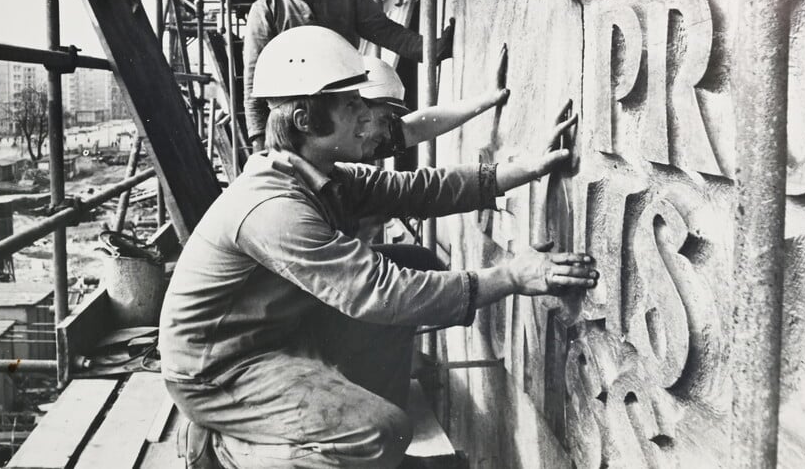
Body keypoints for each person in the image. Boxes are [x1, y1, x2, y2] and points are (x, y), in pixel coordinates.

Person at [160, 26, 596, 468]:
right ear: (305, 121)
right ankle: (228, 449)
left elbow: (416, 189)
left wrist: (520, 170)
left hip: (279, 331)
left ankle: (341, 437)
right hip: (219, 370)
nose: (368, 119)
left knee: (413, 264)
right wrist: (510, 276)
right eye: (352, 107)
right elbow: (380, 291)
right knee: (378, 431)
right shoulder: (273, 208)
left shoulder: (322, 174)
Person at [243, 0, 454, 152]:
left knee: (351, 182)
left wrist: (431, 49)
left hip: (344, 113)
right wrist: (260, 147)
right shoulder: (265, 11)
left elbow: (385, 31)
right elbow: (253, 83)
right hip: (296, 124)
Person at [359, 47, 510, 161]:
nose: (387, 133)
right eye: (383, 120)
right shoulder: (345, 174)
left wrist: (488, 98)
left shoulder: (358, 143)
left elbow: (417, 127)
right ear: (355, 106)